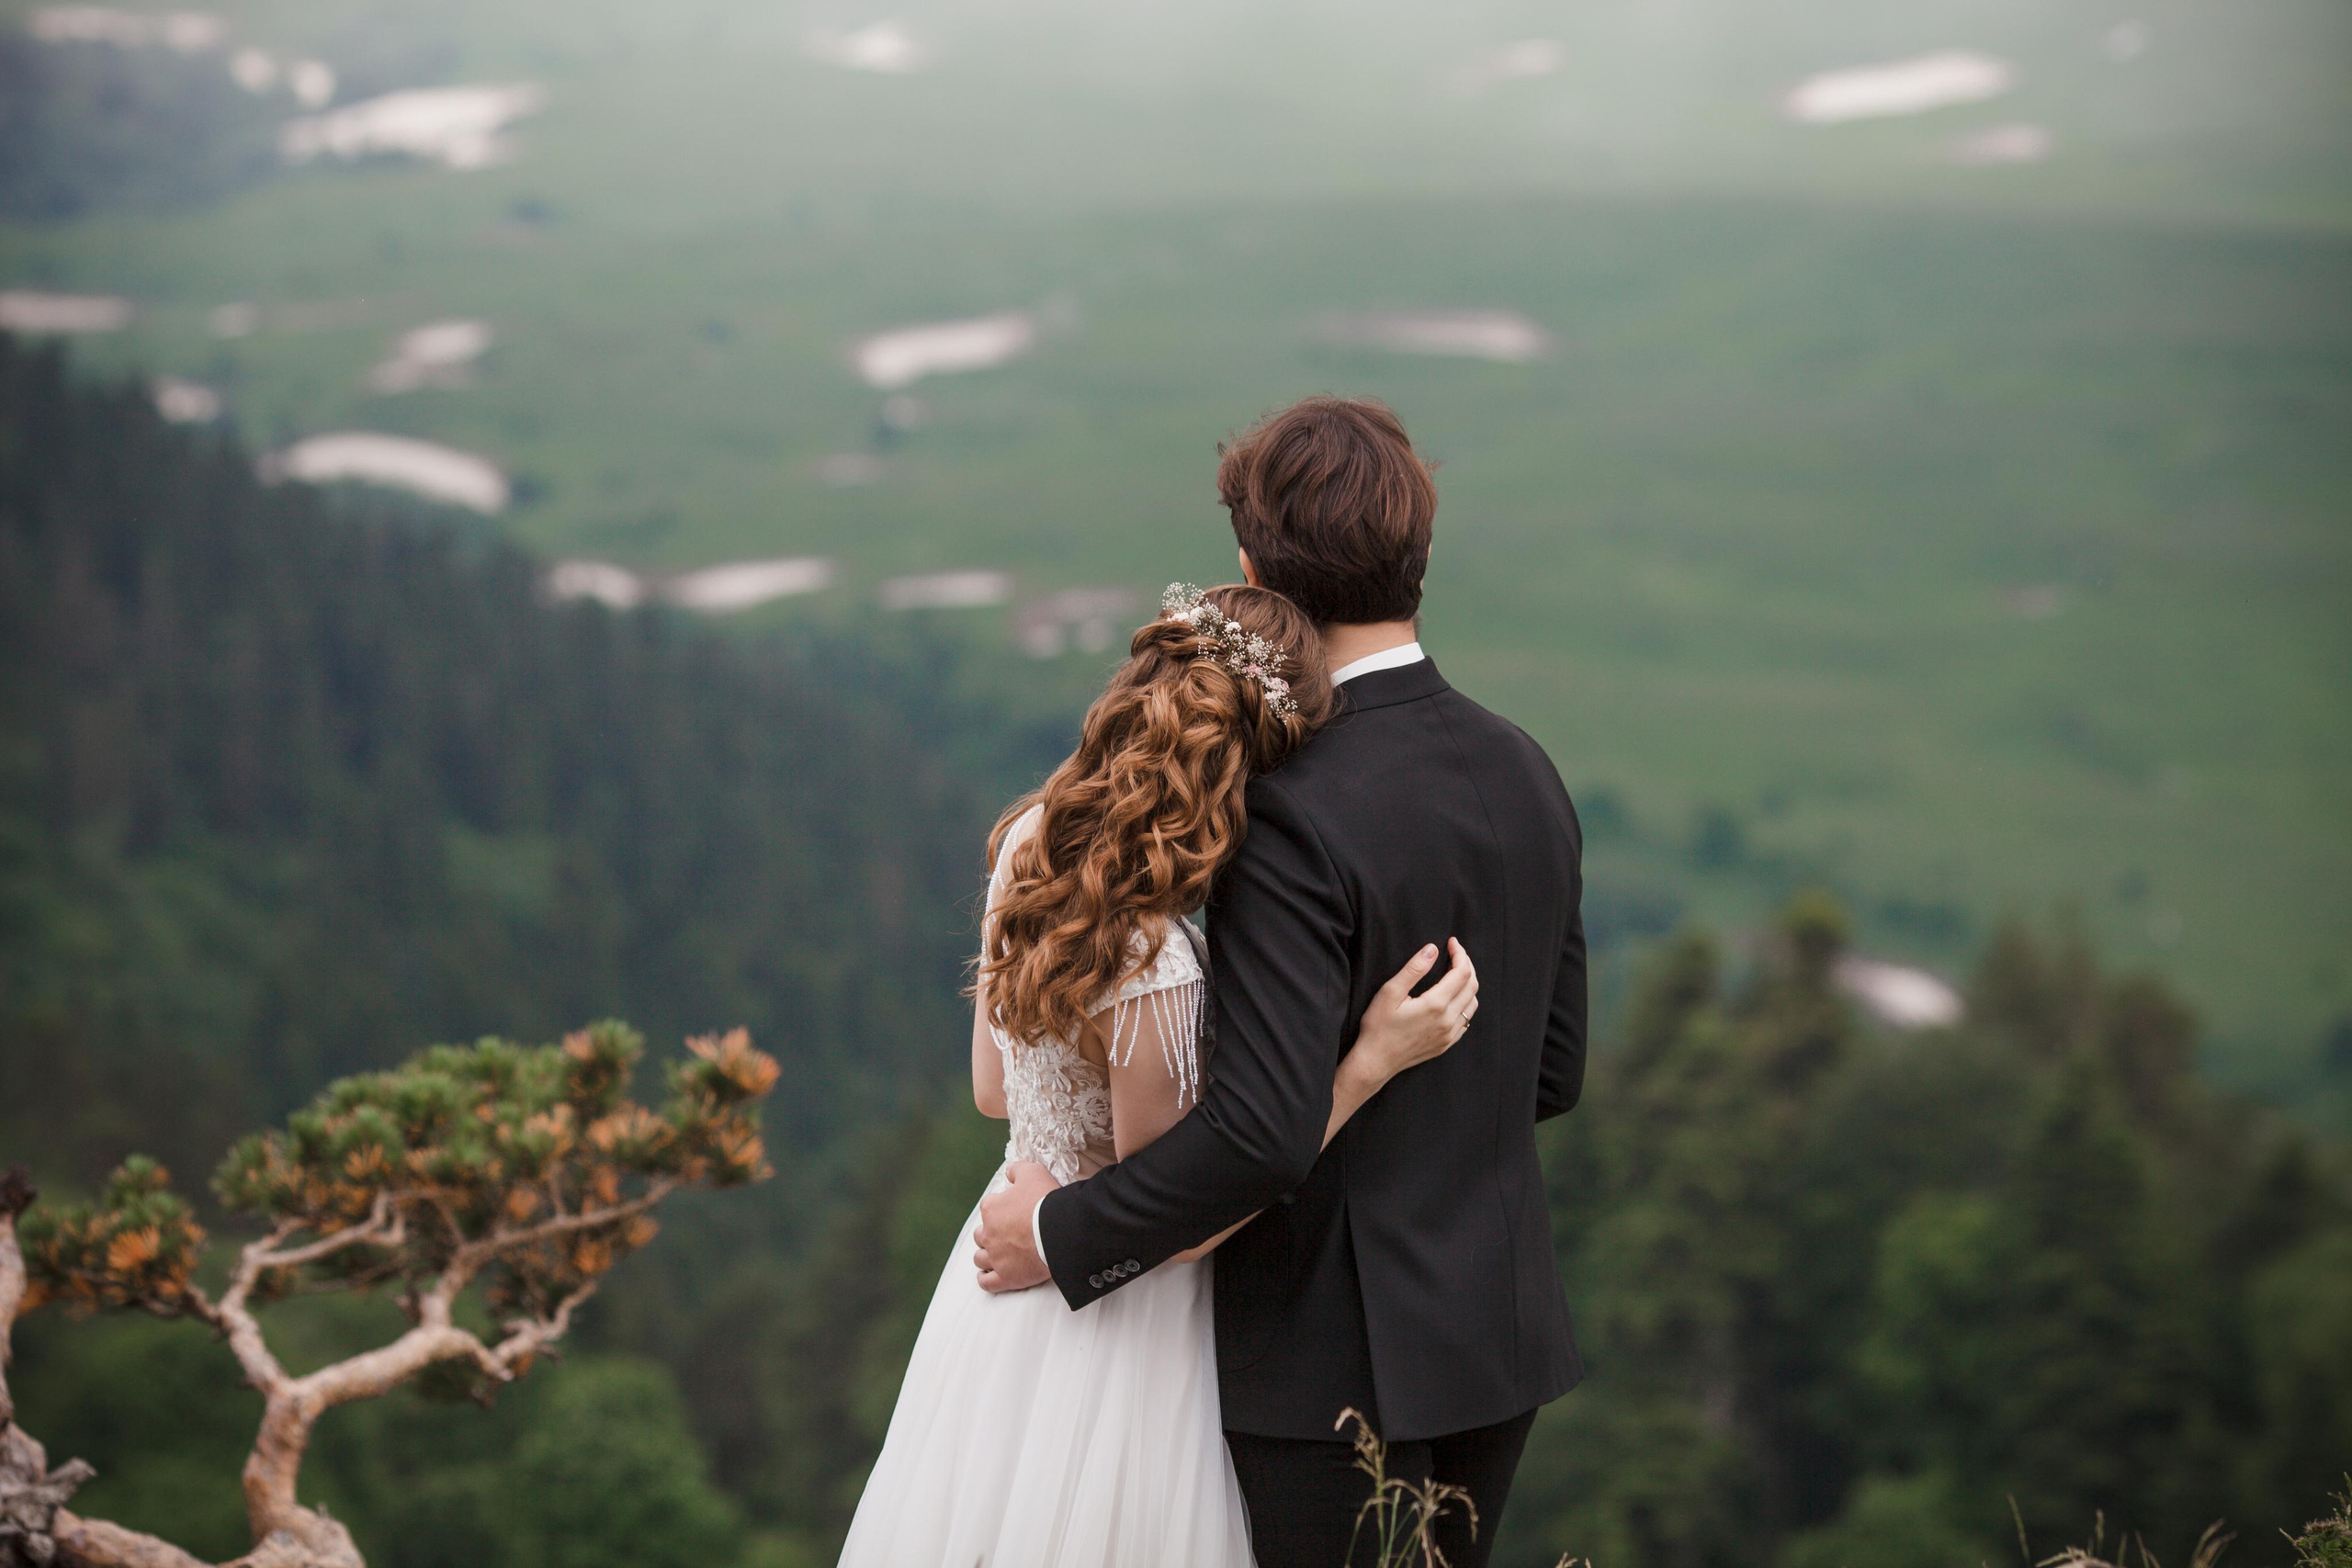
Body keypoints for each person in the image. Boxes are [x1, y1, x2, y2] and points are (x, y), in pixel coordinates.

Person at [974, 395, 1589, 1568]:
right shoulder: (1526, 767)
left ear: (1253, 565)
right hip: (1494, 1334)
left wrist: (1064, 1234)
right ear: (1421, 554)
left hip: (1324, 1362)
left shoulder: (1284, 810)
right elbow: (1548, 1072)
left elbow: (1256, 1138)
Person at [837, 580, 1486, 1568]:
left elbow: (993, 1093)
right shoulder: (1154, 962)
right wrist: (1366, 1065)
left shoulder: (1025, 844)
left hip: (993, 1295)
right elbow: (1176, 1224)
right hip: (1116, 1331)